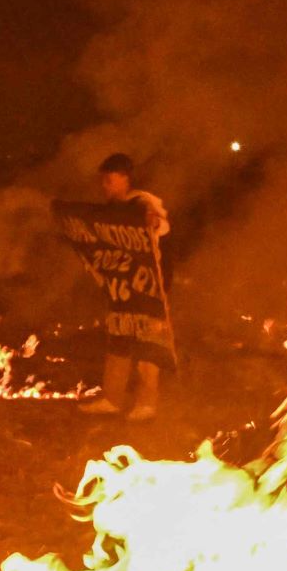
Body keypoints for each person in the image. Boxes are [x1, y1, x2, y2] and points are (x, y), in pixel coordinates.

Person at [78, 152, 173, 422]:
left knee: (147, 344)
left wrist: (151, 222)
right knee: (119, 340)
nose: (104, 186)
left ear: (125, 179)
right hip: (124, 289)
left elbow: (159, 227)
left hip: (148, 288)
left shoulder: (143, 202)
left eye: (109, 180)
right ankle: (112, 398)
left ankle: (147, 404)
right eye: (103, 181)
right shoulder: (112, 210)